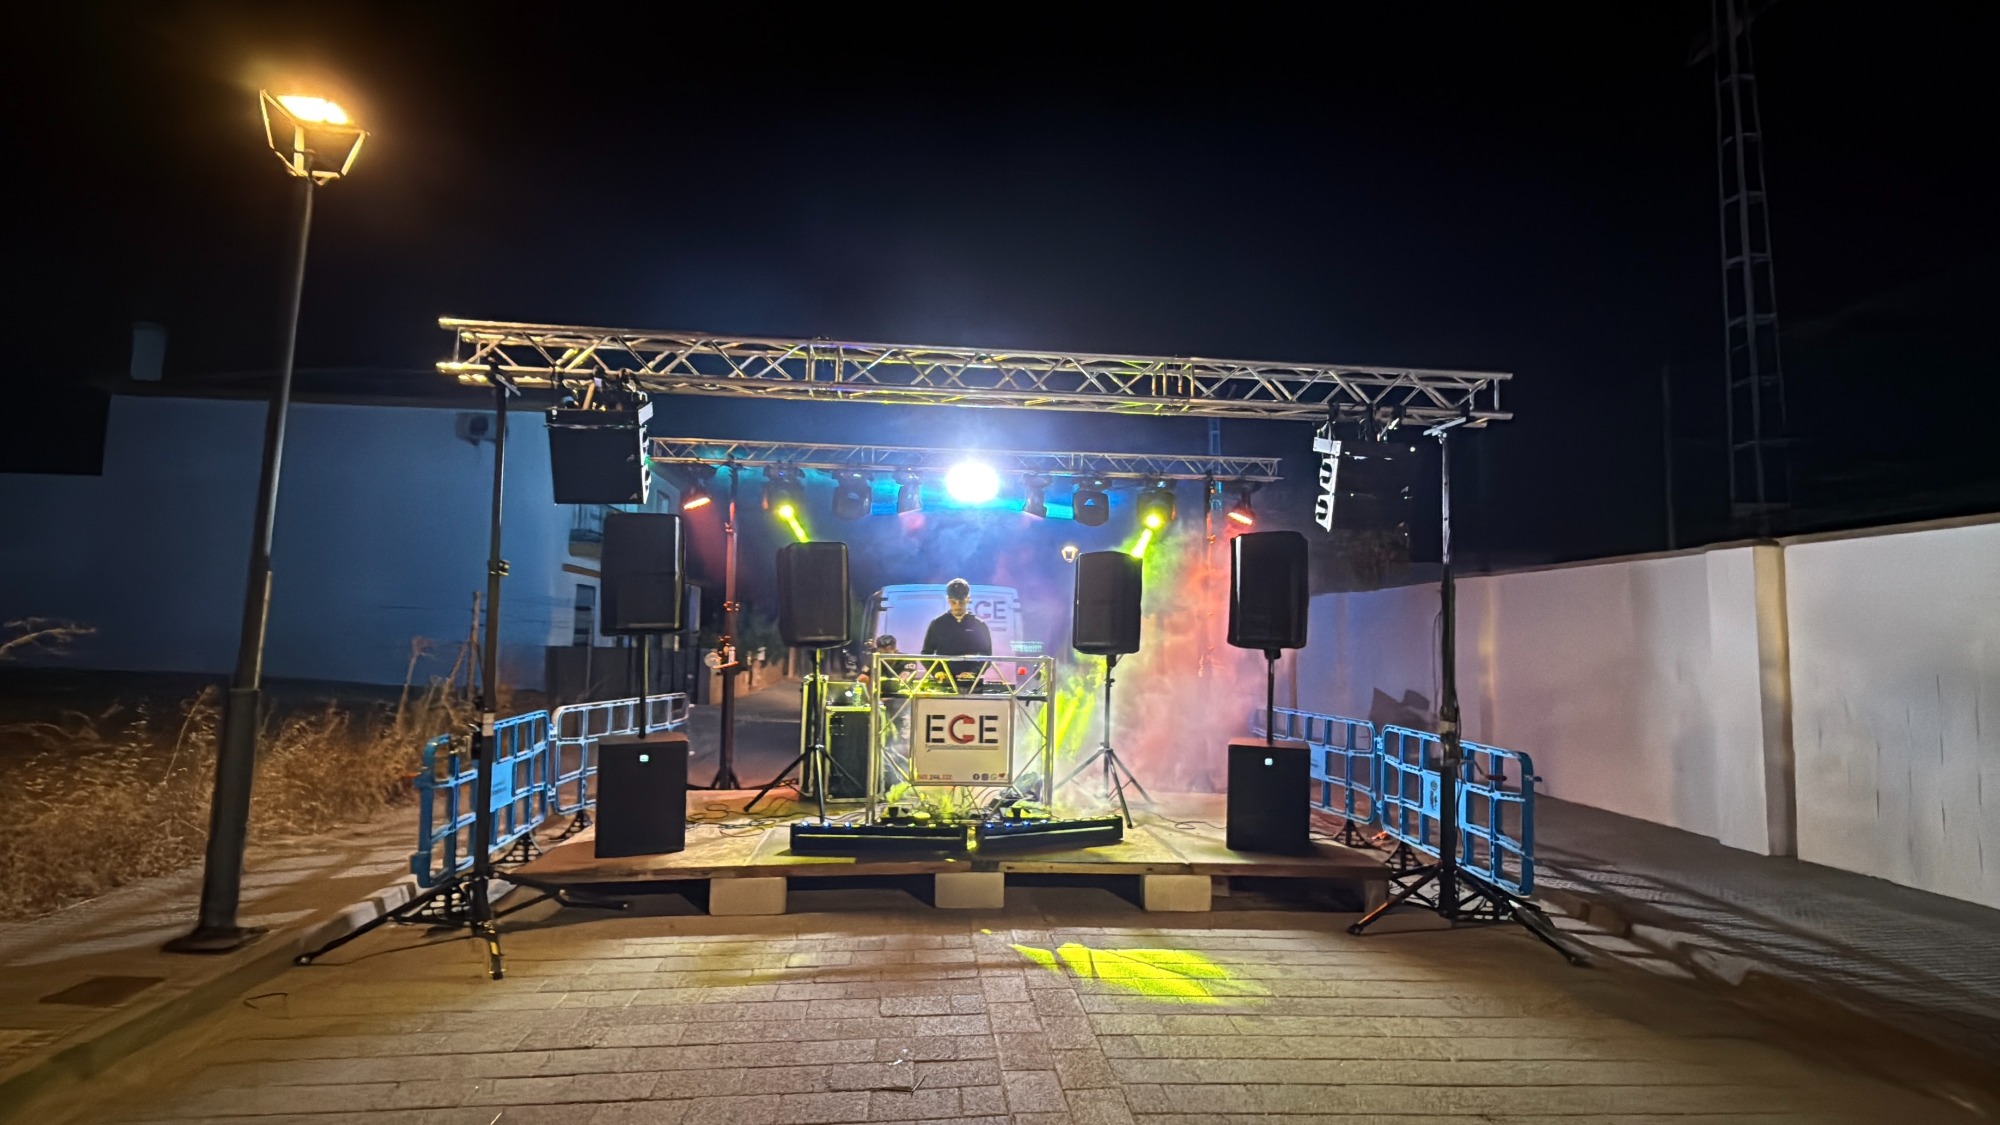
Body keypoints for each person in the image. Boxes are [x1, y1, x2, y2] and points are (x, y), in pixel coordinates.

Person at [921, 578, 993, 692]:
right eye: (953, 602)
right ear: (948, 600)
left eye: (961, 602)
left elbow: (987, 655)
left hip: (972, 685)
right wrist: (937, 672)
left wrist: (974, 672)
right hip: (944, 684)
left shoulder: (979, 625)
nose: (957, 606)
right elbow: (926, 654)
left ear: (968, 599)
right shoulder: (937, 624)